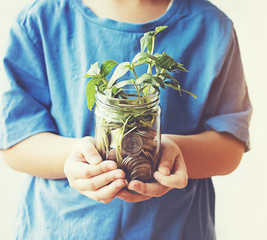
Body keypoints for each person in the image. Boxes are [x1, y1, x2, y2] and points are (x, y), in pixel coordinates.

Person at [0, 0, 251, 239]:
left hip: (176, 230)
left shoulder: (213, 27)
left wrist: (168, 152)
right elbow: (15, 142)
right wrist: (77, 157)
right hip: (64, 228)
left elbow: (230, 146)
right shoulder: (40, 20)